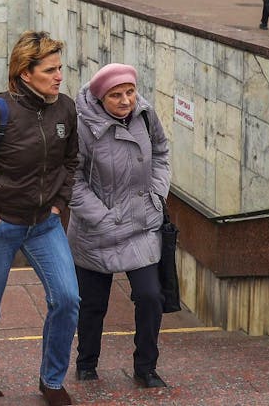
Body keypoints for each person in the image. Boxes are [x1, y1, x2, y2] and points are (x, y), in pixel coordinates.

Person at [0, 31, 80, 404]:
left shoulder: (65, 108)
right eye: (51, 70)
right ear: (25, 73)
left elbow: (71, 161)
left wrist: (58, 205)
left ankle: (52, 381)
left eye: (60, 68)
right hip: (0, 226)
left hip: (45, 224)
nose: (59, 76)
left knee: (68, 299)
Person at [68, 63, 171, 389]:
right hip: (96, 229)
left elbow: (161, 152)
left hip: (141, 223)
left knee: (150, 296)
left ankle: (146, 367)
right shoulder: (81, 125)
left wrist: (156, 194)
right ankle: (86, 364)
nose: (126, 99)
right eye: (116, 95)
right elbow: (72, 180)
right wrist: (102, 216)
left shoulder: (145, 114)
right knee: (92, 304)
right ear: (101, 98)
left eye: (129, 91)